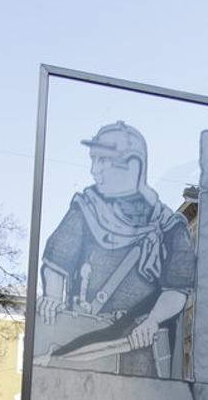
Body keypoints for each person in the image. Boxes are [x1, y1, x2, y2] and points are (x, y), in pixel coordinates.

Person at [35, 121, 195, 378]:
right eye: (93, 160)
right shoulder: (86, 209)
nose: (94, 170)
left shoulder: (169, 227)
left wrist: (153, 320)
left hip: (137, 348)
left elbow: (177, 288)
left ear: (132, 166)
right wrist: (53, 295)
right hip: (81, 339)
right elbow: (57, 260)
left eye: (103, 161)